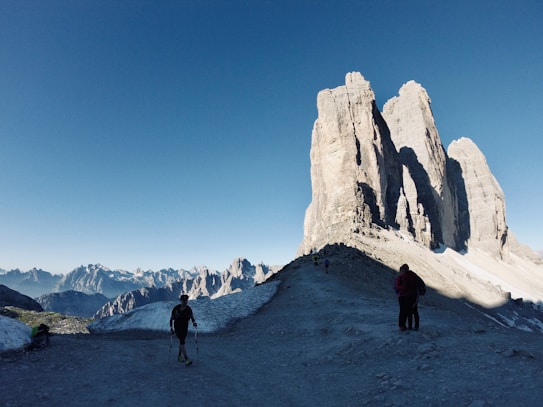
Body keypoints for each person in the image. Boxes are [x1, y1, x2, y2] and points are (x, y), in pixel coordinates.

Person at [170, 294, 198, 366]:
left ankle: (179, 356)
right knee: (182, 341)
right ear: (181, 301)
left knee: (182, 341)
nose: (185, 302)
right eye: (183, 301)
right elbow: (171, 318)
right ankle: (186, 359)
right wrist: (171, 328)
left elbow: (192, 317)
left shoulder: (188, 309)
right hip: (177, 328)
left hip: (185, 328)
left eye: (186, 300)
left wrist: (194, 322)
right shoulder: (176, 308)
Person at [394, 264, 420, 331]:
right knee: (413, 311)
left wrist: (399, 289)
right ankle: (414, 326)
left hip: (404, 296)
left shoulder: (404, 276)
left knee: (403, 311)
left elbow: (404, 287)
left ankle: (403, 326)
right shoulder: (413, 275)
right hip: (413, 296)